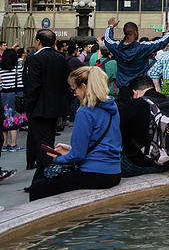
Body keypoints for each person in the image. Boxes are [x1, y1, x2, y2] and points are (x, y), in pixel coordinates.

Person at [29, 67, 122, 201]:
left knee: (37, 188)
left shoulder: (85, 112)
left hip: (94, 174)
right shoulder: (113, 107)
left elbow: (78, 156)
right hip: (115, 172)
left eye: (74, 89)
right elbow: (105, 143)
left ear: (83, 87)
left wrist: (57, 158)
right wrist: (71, 150)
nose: (74, 94)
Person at [24, 29, 71, 181]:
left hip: (39, 108)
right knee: (48, 142)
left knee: (41, 144)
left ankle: (47, 177)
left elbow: (33, 86)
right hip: (56, 107)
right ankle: (40, 178)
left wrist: (28, 107)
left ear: (38, 41)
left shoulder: (34, 58)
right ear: (54, 42)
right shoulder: (60, 58)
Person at [117, 76, 169, 177]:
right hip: (167, 163)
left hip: (138, 165)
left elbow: (120, 134)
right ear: (152, 87)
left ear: (135, 92)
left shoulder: (135, 105)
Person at [103, 15, 169, 99]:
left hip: (123, 89)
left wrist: (110, 26)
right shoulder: (143, 47)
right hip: (141, 89)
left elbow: (107, 39)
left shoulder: (116, 47)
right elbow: (162, 41)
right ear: (136, 33)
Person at [0, 48, 26, 153]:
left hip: (3, 95)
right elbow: (23, 81)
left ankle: (4, 144)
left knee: (4, 119)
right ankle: (13, 144)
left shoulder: (1, 68)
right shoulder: (19, 68)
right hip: (15, 95)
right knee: (14, 119)